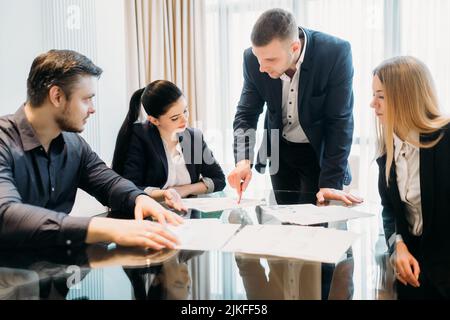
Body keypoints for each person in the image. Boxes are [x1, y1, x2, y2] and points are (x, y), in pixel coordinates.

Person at [0, 50, 183, 250]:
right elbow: (7, 215)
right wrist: (109, 228)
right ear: (57, 96)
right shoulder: (4, 141)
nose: (92, 108)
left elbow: (109, 183)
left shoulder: (74, 145)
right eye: (86, 99)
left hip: (52, 268)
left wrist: (139, 198)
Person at [228, 8, 363, 205]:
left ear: (294, 48)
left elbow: (340, 121)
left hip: (317, 152)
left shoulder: (334, 54)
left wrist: (330, 182)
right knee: (287, 221)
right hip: (280, 151)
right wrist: (243, 161)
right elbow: (246, 114)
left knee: (314, 226)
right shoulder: (252, 60)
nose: (262, 68)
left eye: (270, 60)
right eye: (259, 58)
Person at [372, 56, 450, 299]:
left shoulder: (446, 140)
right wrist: (399, 245)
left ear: (406, 97)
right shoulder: (388, 150)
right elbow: (390, 210)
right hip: (411, 268)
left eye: (381, 96)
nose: (372, 103)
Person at [112, 80, 226, 208]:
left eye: (185, 111)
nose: (185, 119)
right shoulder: (140, 137)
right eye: (175, 118)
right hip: (150, 213)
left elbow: (219, 180)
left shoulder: (193, 137)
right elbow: (130, 187)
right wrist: (165, 194)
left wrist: (185, 190)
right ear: (154, 120)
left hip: (188, 213)